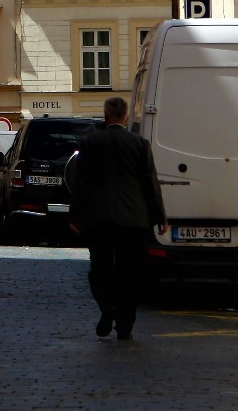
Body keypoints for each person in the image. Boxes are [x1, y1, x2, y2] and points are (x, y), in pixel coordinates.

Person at [64, 95, 166, 341]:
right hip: (134, 219)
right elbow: (150, 183)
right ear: (126, 117)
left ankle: (107, 309)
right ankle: (125, 324)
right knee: (130, 272)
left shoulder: (89, 143)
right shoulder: (140, 144)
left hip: (98, 219)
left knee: (100, 268)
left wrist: (75, 214)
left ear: (105, 116)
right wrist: (159, 216)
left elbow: (81, 183)